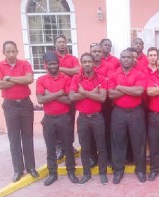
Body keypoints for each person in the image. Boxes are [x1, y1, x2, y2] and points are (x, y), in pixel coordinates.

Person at [0, 41, 39, 182]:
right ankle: (18, 170)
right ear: (4, 53)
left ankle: (31, 167)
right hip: (10, 106)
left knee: (27, 137)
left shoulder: (24, 64)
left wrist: (9, 78)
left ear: (17, 51)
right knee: (14, 138)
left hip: (25, 104)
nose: (11, 54)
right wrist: (20, 81)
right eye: (8, 52)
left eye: (13, 51)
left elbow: (29, 79)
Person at [36, 51, 79, 186]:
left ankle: (71, 172)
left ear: (58, 64)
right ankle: (52, 173)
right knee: (50, 148)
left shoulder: (66, 79)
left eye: (54, 63)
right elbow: (40, 99)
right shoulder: (41, 80)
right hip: (49, 119)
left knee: (68, 146)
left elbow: (69, 101)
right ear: (45, 65)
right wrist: (60, 93)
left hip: (64, 118)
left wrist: (51, 94)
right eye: (50, 64)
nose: (52, 66)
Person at [108, 49, 147, 184]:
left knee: (138, 142)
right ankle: (118, 171)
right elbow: (111, 95)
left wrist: (120, 87)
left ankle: (140, 170)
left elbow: (139, 92)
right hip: (118, 112)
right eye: (123, 57)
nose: (125, 59)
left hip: (136, 112)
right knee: (118, 142)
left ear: (133, 60)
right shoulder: (114, 74)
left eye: (128, 57)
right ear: (120, 59)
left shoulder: (140, 74)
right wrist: (129, 89)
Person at [69, 53, 108, 185]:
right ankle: (87, 174)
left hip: (97, 117)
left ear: (93, 63)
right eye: (84, 62)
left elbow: (102, 98)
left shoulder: (101, 78)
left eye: (89, 62)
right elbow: (72, 97)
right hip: (83, 118)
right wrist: (93, 93)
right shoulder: (76, 78)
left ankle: (103, 173)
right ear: (81, 63)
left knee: (101, 147)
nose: (87, 64)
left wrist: (84, 92)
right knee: (84, 148)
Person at [53, 35, 80, 159]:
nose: (61, 44)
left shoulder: (73, 58)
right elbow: (51, 71)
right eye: (59, 42)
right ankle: (59, 147)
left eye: (63, 42)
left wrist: (60, 68)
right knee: (58, 122)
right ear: (55, 44)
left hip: (70, 93)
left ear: (66, 44)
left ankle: (69, 145)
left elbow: (77, 71)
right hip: (57, 93)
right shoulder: (51, 57)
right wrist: (69, 70)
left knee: (70, 121)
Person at [90, 43, 116, 166]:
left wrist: (96, 84)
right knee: (92, 133)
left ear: (102, 53)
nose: (96, 53)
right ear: (90, 52)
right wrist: (101, 82)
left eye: (98, 51)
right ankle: (93, 158)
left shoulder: (109, 66)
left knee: (107, 131)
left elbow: (109, 81)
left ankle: (109, 157)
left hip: (106, 104)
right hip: (91, 103)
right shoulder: (86, 66)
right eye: (94, 51)